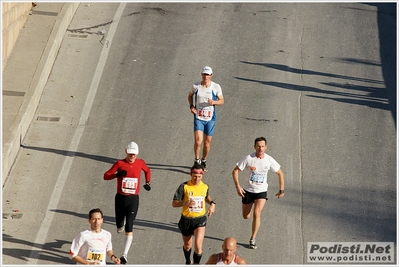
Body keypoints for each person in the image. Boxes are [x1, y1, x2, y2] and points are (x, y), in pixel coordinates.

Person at [232, 137, 285, 249]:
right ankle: (250, 214)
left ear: (266, 147)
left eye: (262, 146)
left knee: (257, 213)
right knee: (246, 216)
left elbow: (280, 173)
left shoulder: (269, 160)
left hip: (261, 191)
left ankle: (253, 238)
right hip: (248, 191)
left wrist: (281, 190)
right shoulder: (248, 158)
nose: (260, 148)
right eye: (258, 146)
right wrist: (238, 187)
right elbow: (235, 171)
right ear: (254, 147)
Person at [103, 141, 151, 264]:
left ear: (137, 154)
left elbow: (147, 171)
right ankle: (120, 223)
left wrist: (147, 182)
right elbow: (106, 175)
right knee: (119, 226)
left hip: (133, 199)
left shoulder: (140, 163)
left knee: (129, 225)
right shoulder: (120, 163)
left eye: (134, 154)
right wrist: (117, 174)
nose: (131, 157)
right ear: (126, 152)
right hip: (120, 197)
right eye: (130, 154)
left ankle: (124, 255)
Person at [172, 163, 216, 264]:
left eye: (199, 177)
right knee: (187, 245)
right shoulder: (184, 186)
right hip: (186, 220)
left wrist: (212, 204)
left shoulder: (204, 186)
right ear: (190, 174)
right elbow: (174, 203)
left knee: (198, 245)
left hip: (199, 219)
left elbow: (206, 197)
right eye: (195, 176)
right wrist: (184, 203)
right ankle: (188, 261)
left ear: (202, 176)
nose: (197, 179)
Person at [188, 66, 224, 171]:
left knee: (207, 143)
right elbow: (189, 96)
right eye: (204, 74)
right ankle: (196, 160)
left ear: (211, 75)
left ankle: (203, 160)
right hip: (198, 117)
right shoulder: (196, 86)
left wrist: (214, 102)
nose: (206, 77)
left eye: (208, 75)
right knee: (198, 141)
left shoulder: (216, 87)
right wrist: (191, 106)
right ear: (201, 74)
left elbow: (222, 101)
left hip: (210, 118)